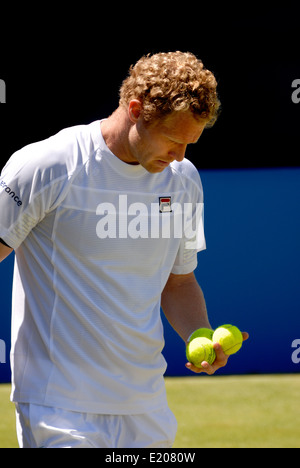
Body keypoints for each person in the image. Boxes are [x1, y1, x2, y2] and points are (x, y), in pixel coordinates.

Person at [0, 51, 248, 448]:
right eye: (173, 139)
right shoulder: (49, 164)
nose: (181, 156)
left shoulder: (183, 180)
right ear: (135, 109)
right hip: (57, 405)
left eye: (190, 144)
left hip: (146, 407)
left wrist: (199, 334)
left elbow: (179, 283)